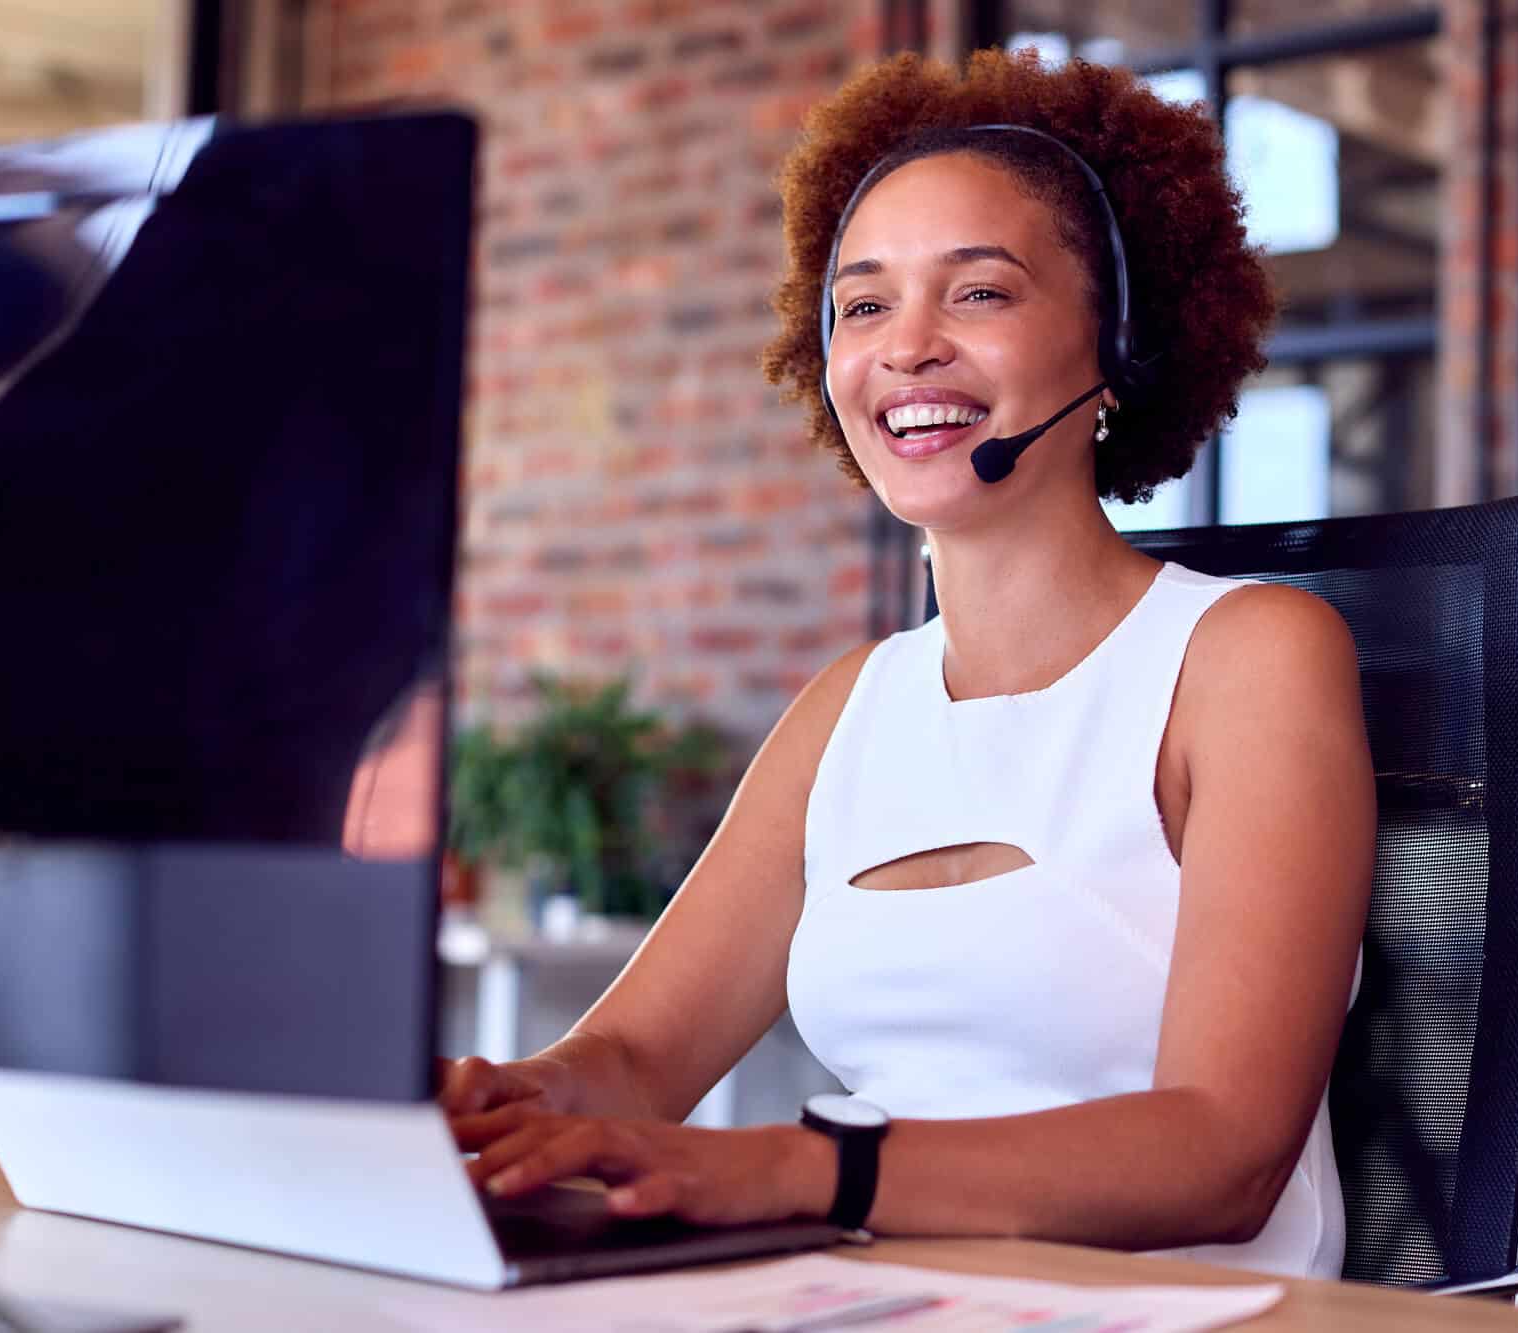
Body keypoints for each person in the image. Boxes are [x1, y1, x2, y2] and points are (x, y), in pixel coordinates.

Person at [444, 49, 1375, 1279]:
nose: (907, 347)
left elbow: (1223, 1149)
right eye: (865, 304)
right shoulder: (851, 707)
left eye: (977, 294)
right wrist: (503, 1100)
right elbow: (631, 1062)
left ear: (1116, 343)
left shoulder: (1246, 657)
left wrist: (797, 1169)